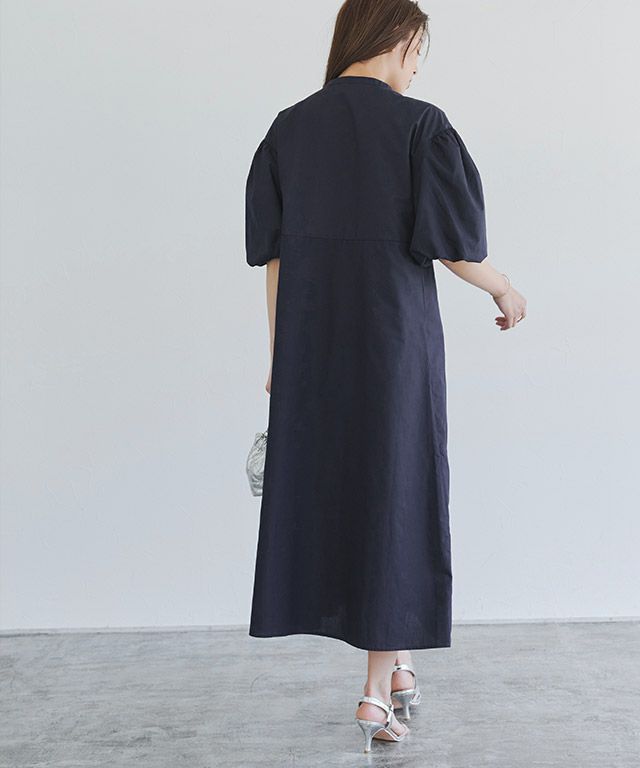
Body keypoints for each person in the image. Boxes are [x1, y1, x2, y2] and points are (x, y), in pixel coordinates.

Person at [244, 0, 527, 753]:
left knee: (345, 494)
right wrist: (503, 287)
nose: (417, 66)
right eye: (418, 49)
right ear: (397, 40)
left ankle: (397, 664)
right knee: (394, 498)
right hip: (394, 350)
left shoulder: (288, 128)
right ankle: (374, 694)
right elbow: (453, 245)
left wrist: (279, 356)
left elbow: (275, 258)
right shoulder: (418, 126)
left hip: (312, 350)